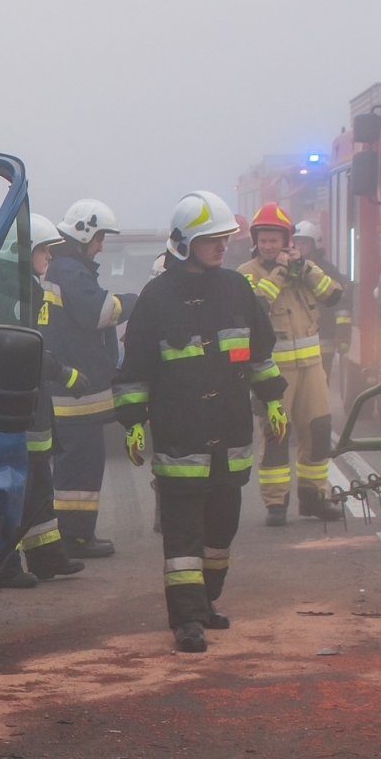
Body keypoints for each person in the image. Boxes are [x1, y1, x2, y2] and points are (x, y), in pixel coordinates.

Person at [113, 191, 287, 652]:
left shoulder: (236, 288)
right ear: (185, 243)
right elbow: (135, 371)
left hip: (229, 434)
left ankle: (207, 601)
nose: (222, 247)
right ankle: (186, 620)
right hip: (180, 435)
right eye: (213, 239)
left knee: (221, 531)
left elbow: (261, 354)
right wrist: (132, 421)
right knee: (183, 535)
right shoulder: (156, 298)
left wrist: (273, 399)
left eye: (226, 239)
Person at [0, 214, 90, 587]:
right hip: (10, 404)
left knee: (37, 483)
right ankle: (3, 567)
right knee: (11, 486)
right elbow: (27, 348)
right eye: (43, 250)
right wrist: (67, 374)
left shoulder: (22, 288)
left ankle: (47, 556)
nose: (48, 257)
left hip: (27, 403)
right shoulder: (4, 293)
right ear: (21, 251)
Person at [39, 198, 139, 558]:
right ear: (83, 232)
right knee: (80, 468)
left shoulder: (62, 268)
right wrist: (135, 302)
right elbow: (100, 311)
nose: (99, 247)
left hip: (69, 389)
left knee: (75, 465)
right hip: (75, 395)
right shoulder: (69, 270)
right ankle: (76, 538)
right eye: (98, 239)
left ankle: (72, 536)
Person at [239, 203, 345, 525]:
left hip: (312, 366)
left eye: (275, 240)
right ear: (256, 242)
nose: (269, 246)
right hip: (273, 372)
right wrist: (281, 272)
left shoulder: (305, 269)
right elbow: (258, 306)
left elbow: (334, 295)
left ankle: (314, 497)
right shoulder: (247, 273)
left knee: (318, 430)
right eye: (264, 240)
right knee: (276, 436)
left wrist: (306, 269)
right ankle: (276, 503)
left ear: (288, 241)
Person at [293, 220, 353, 384]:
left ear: (314, 244)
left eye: (304, 242)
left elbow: (341, 304)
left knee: (319, 385)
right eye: (296, 242)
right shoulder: (289, 269)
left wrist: (342, 332)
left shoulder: (328, 270)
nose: (299, 247)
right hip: (296, 341)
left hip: (324, 338)